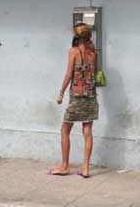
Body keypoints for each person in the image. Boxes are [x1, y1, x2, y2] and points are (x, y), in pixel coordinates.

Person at [46, 23, 99, 178]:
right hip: (91, 96)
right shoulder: (93, 53)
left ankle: (64, 166)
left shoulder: (74, 52)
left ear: (76, 36)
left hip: (77, 97)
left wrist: (61, 93)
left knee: (65, 130)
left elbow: (69, 75)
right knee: (87, 131)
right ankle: (86, 168)